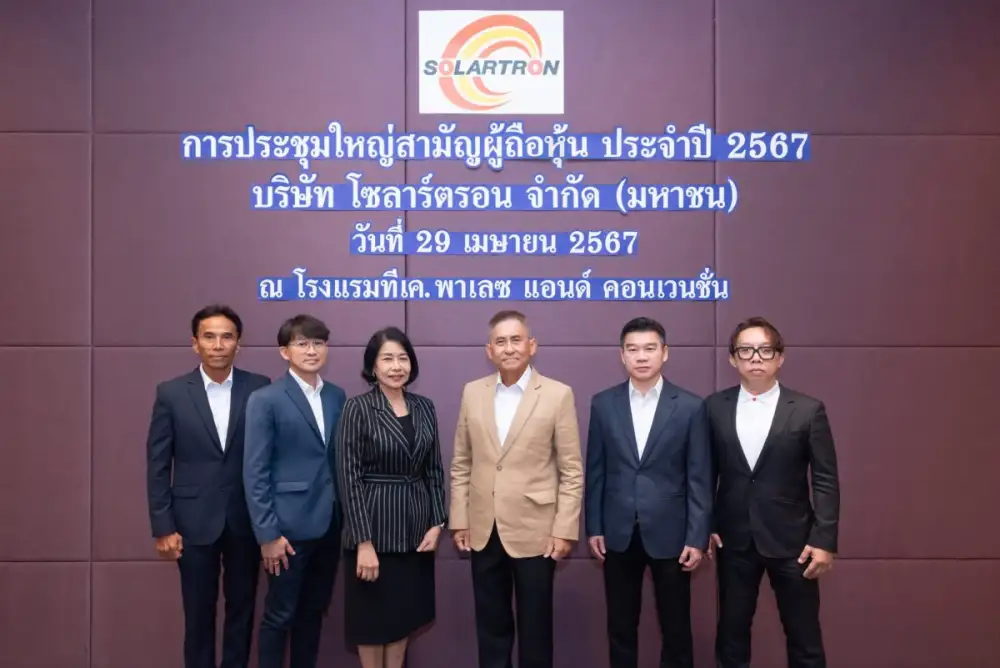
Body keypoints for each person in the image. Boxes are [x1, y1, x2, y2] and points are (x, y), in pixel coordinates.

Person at [449, 309, 584, 668]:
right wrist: (460, 519)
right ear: (489, 350)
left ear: (531, 345)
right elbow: (462, 462)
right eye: (500, 341)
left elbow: (571, 470)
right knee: (491, 628)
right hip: (483, 529)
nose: (509, 348)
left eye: (516, 340)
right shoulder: (472, 392)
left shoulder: (557, 394)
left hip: (537, 531)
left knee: (535, 629)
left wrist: (564, 529)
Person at [706, 316, 840, 668]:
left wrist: (824, 540)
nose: (755, 357)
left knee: (804, 638)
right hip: (734, 540)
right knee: (731, 637)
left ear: (780, 357)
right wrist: (706, 523)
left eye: (765, 350)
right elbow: (703, 473)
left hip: (795, 543)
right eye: (746, 350)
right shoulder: (714, 408)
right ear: (732, 358)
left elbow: (825, 479)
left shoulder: (808, 410)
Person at [145, 304, 270, 668]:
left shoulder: (259, 388)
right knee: (198, 615)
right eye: (209, 337)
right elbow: (157, 464)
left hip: (245, 520)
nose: (218, 345)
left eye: (226, 337)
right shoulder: (171, 393)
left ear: (238, 344)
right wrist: (163, 526)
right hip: (192, 521)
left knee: (242, 612)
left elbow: (268, 458)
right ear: (195, 343)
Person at [584, 317, 712, 668]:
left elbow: (699, 476)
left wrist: (697, 536)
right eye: (633, 349)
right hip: (617, 532)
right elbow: (596, 470)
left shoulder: (690, 406)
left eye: (650, 349)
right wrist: (594, 527)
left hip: (672, 534)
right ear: (622, 355)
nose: (641, 357)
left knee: (676, 628)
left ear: (665, 353)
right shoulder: (603, 404)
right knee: (620, 627)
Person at [336, 326, 447, 668]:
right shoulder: (357, 408)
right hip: (373, 531)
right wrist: (363, 542)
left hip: (415, 535)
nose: (396, 366)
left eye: (403, 358)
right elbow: (349, 478)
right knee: (371, 623)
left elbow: (434, 470)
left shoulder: (424, 407)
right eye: (387, 359)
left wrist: (437, 523)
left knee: (403, 618)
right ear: (372, 366)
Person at [243, 314, 347, 668]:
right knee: (279, 615)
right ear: (284, 352)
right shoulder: (265, 399)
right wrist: (267, 534)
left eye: (318, 343)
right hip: (285, 533)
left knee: (313, 613)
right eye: (302, 343)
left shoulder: (336, 396)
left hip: (329, 525)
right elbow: (255, 472)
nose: (312, 350)